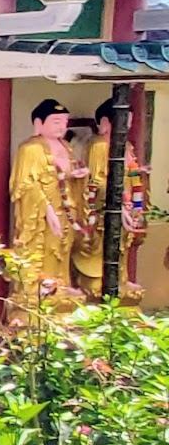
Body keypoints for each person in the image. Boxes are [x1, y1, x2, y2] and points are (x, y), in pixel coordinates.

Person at [9, 99, 80, 327]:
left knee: (62, 249)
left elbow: (65, 177)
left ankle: (60, 287)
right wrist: (46, 209)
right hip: (40, 214)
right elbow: (25, 184)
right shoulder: (30, 148)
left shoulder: (66, 147)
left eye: (65, 122)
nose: (61, 127)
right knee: (44, 249)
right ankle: (38, 292)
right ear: (39, 123)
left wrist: (78, 176)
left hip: (66, 208)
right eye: (56, 121)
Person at [74, 100, 148, 305]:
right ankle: (100, 278)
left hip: (127, 204)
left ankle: (122, 278)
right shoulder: (99, 145)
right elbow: (97, 179)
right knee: (106, 239)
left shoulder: (128, 146)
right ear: (107, 122)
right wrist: (117, 202)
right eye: (124, 122)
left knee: (122, 243)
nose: (128, 127)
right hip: (104, 205)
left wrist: (135, 201)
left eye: (130, 122)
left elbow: (132, 177)